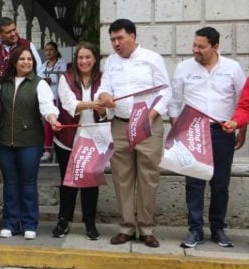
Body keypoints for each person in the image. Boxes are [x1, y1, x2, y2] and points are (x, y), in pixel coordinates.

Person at [97, 19, 171, 248]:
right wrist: (104, 97)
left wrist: (149, 115)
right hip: (120, 125)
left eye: (120, 38)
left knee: (148, 178)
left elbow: (165, 91)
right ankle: (127, 227)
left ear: (133, 36)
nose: (116, 43)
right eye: (112, 40)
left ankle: (146, 229)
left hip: (148, 124)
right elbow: (104, 87)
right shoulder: (110, 62)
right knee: (122, 177)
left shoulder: (152, 59)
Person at [169, 27, 246, 248]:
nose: (196, 50)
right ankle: (194, 230)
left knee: (220, 184)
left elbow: (243, 101)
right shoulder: (184, 68)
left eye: (201, 47)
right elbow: (174, 102)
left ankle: (218, 228)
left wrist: (242, 130)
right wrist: (178, 131)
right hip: (193, 133)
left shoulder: (232, 68)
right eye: (194, 45)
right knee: (194, 184)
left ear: (215, 47)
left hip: (223, 133)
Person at [0, 46, 60, 240]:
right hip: (5, 141)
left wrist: (51, 117)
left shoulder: (39, 84)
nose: (26, 62)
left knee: (28, 183)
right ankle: (10, 222)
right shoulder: (3, 84)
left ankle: (30, 223)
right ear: (14, 62)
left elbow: (47, 105)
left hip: (30, 141)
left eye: (29, 59)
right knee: (10, 183)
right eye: (22, 59)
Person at [0, 17, 42, 189]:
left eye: (14, 29)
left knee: (15, 130)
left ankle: (16, 170)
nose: (14, 34)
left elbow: (39, 71)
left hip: (21, 93)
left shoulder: (27, 44)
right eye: (8, 32)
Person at [52, 42, 105, 240]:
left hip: (94, 139)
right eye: (80, 57)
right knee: (68, 182)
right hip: (69, 139)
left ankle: (90, 223)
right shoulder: (66, 78)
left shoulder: (103, 78)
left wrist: (105, 107)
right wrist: (95, 104)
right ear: (76, 60)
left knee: (91, 182)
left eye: (88, 57)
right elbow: (69, 104)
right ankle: (63, 221)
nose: (84, 61)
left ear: (95, 59)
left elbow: (109, 106)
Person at [38, 41, 67, 162]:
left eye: (51, 50)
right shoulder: (43, 65)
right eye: (46, 50)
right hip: (45, 98)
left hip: (57, 97)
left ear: (55, 51)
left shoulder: (61, 63)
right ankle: (47, 149)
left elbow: (62, 77)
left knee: (55, 124)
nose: (48, 52)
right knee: (46, 125)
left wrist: (50, 79)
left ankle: (55, 149)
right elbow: (39, 77)